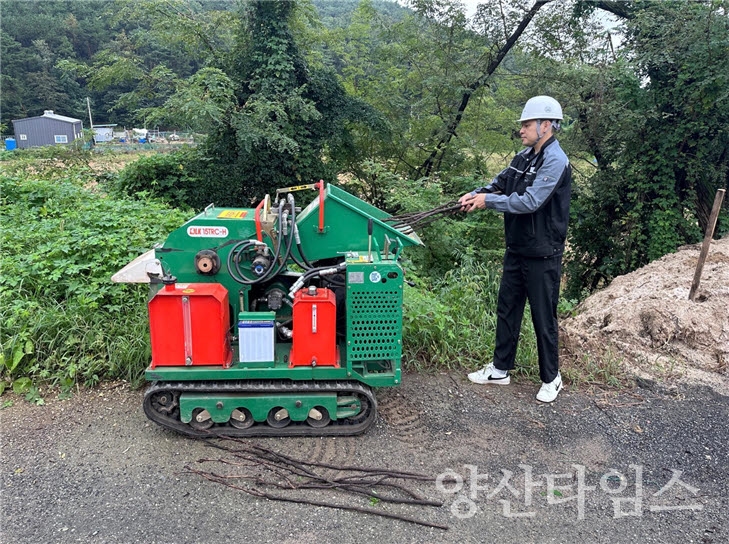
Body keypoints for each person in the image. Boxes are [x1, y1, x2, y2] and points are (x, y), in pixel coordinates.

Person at [459, 95, 571, 403]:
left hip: (544, 253)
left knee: (542, 317)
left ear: (545, 125)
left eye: (526, 123)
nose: (521, 129)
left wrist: (489, 201)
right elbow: (499, 184)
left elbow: (531, 201)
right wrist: (475, 195)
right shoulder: (523, 157)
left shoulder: (555, 161)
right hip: (518, 248)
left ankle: (552, 378)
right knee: (507, 309)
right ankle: (500, 369)